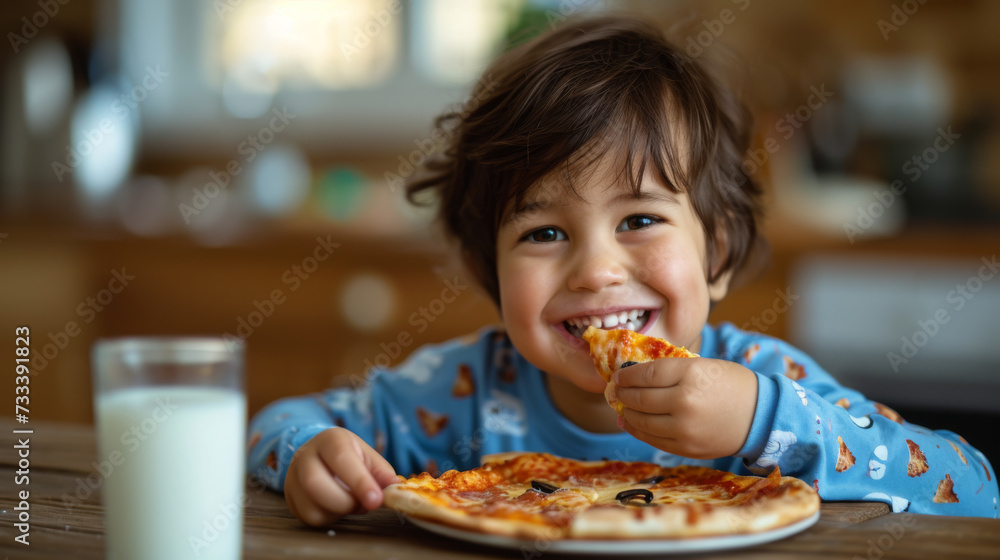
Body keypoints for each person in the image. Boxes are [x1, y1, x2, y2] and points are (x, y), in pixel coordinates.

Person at [247, 16, 998, 523]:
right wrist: (309, 457)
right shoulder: (460, 393)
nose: (597, 270)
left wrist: (767, 423)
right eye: (543, 232)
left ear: (720, 253)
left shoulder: (766, 386)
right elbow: (276, 423)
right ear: (492, 275)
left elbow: (973, 486)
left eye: (639, 220)